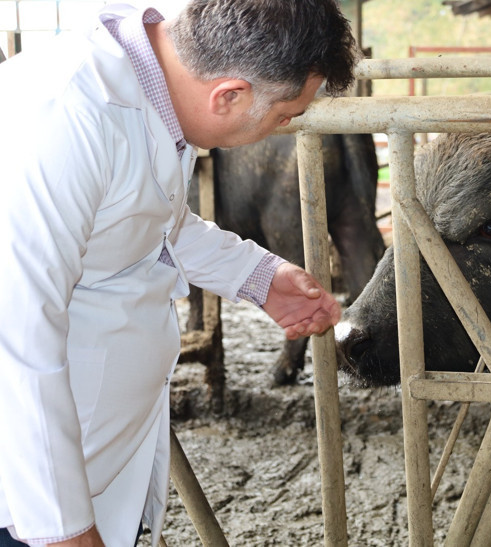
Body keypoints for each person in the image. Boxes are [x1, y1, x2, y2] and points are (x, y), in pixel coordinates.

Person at [0, 0, 359, 545]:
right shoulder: (63, 119)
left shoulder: (150, 91)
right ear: (230, 95)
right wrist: (62, 530)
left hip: (96, 459)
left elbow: (145, 218)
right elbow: (17, 336)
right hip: (29, 497)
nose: (285, 126)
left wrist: (258, 275)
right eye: (286, 115)